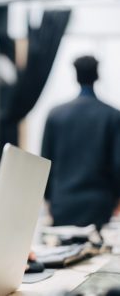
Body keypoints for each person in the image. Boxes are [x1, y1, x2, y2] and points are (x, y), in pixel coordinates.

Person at [42, 55, 120, 231]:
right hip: (99, 203)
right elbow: (117, 164)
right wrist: (117, 198)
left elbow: (45, 161)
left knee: (64, 256)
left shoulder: (55, 115)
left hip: (63, 202)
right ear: (97, 76)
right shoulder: (112, 115)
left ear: (76, 76)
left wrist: (49, 199)